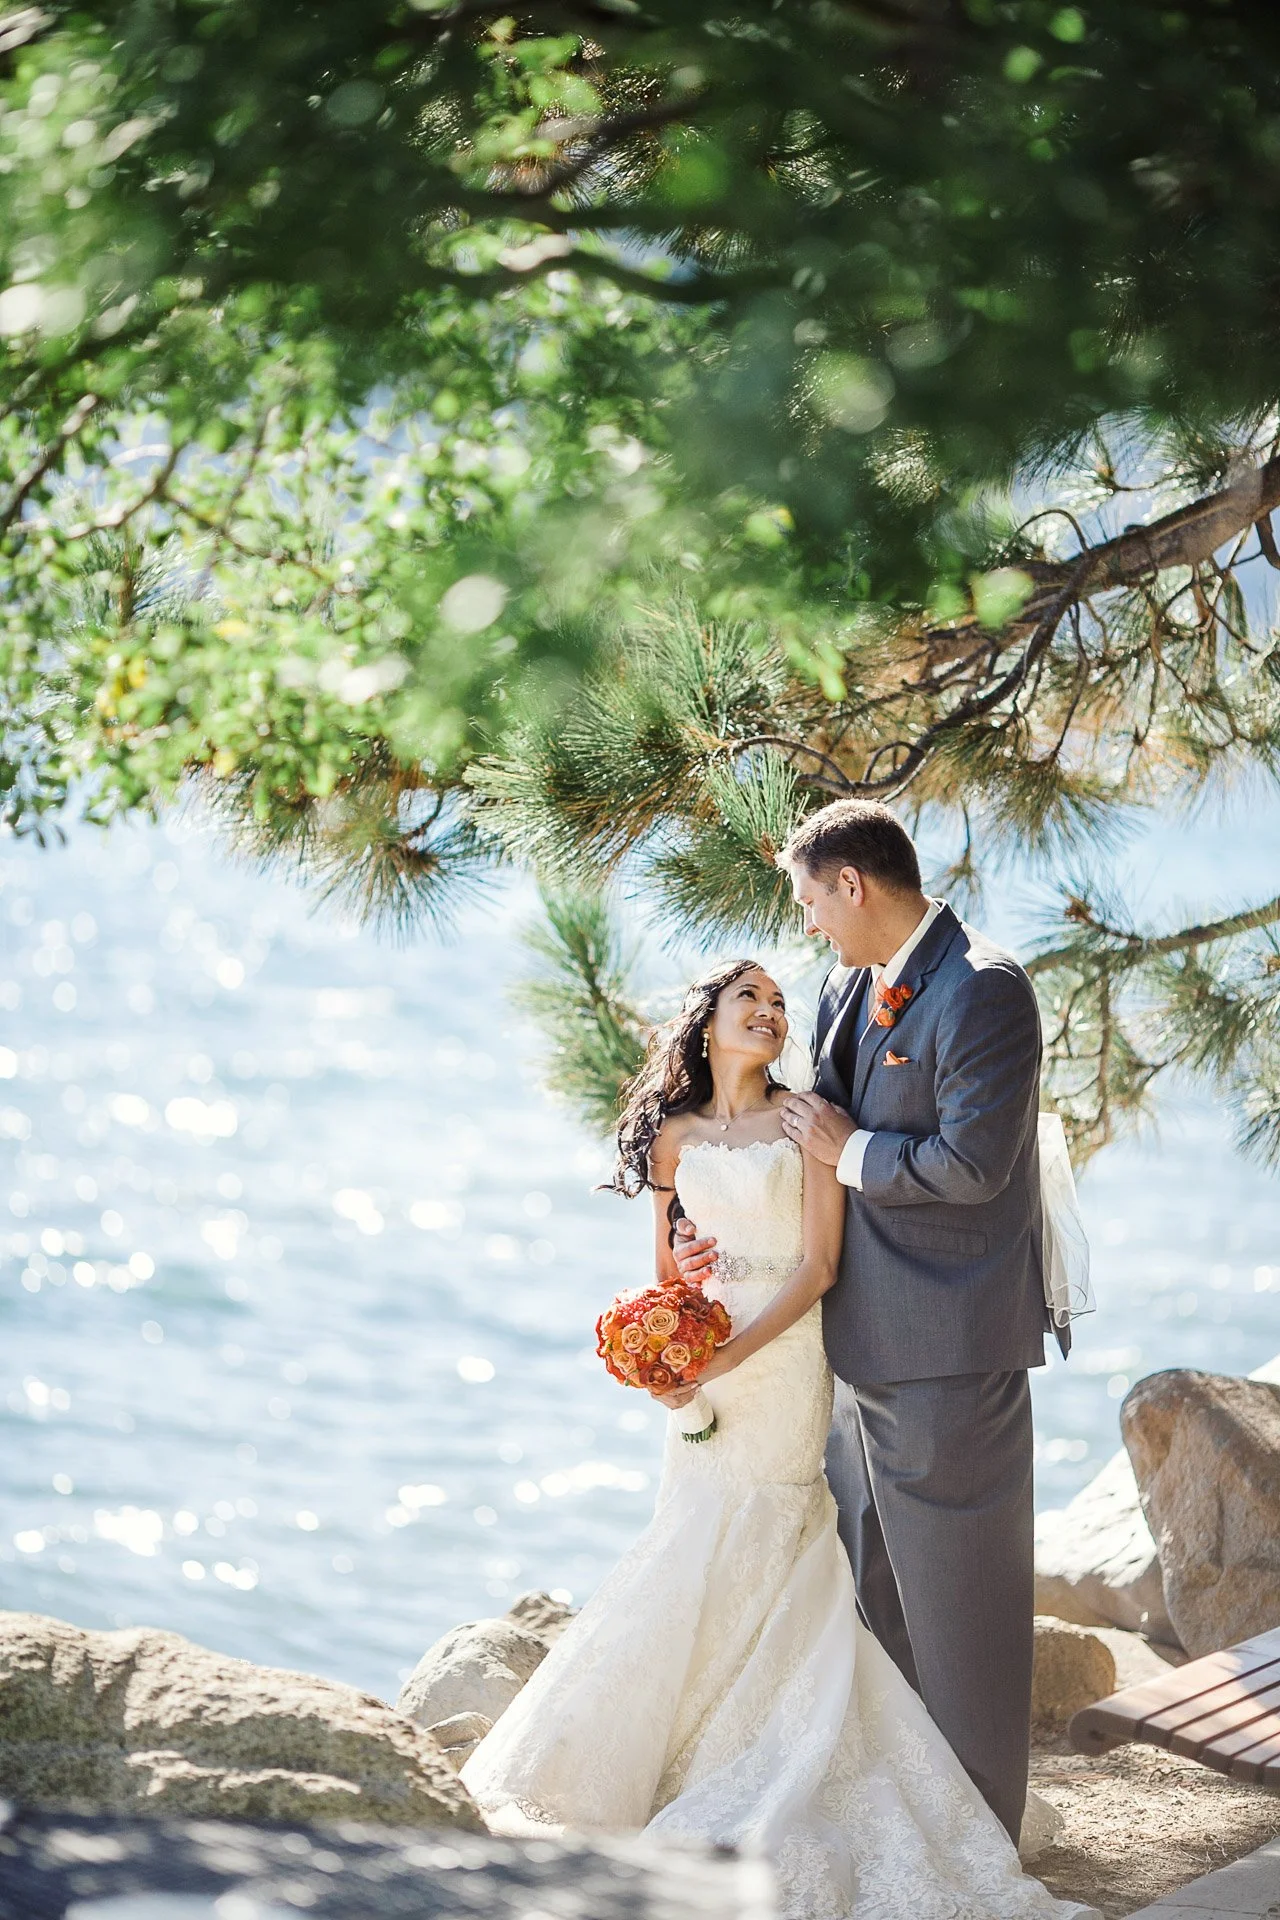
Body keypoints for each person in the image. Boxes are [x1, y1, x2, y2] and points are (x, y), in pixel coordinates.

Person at [461, 949, 1091, 1920]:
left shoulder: (801, 1120)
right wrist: (666, 1357)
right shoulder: (670, 1137)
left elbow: (820, 1267)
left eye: (777, 1000)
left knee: (779, 1530)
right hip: (707, 1359)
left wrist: (730, 1354)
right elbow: (667, 1270)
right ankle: (664, 1754)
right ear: (705, 1020)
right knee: (689, 1536)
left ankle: (772, 1750)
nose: (766, 1009)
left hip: (784, 1353)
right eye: (745, 996)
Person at [674, 798, 1052, 1847]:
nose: (806, 927)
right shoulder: (850, 983)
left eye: (808, 901)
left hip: (945, 1351)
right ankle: (913, 1821)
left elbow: (974, 1168)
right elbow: (806, 1134)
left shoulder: (983, 991)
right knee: (879, 1601)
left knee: (962, 1615)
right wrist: (717, 1220)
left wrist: (848, 1153)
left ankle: (982, 1843)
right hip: (843, 1349)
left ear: (853, 884)